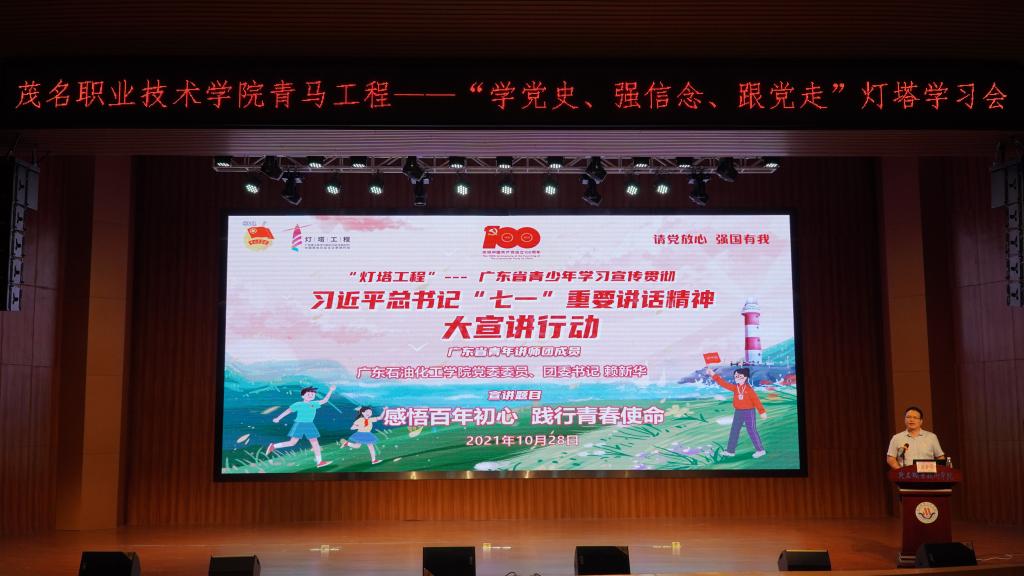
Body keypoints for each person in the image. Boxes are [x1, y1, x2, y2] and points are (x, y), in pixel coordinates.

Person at [265, 384, 336, 468]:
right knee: (292, 443)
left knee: (315, 443)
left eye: (312, 394)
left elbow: (325, 400)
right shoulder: (298, 404)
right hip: (300, 424)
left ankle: (319, 462)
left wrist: (330, 390)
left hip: (310, 425)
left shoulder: (314, 403)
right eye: (308, 394)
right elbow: (288, 411)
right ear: (303, 396)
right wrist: (278, 418)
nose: (311, 395)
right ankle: (274, 446)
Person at [705, 366, 768, 458]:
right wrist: (713, 374)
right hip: (738, 411)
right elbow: (723, 383)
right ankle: (730, 451)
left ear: (745, 377)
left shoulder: (749, 389)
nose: (737, 378)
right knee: (734, 430)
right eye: (736, 376)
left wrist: (762, 412)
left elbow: (756, 401)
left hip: (749, 412)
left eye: (739, 376)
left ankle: (760, 450)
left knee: (751, 430)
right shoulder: (735, 388)